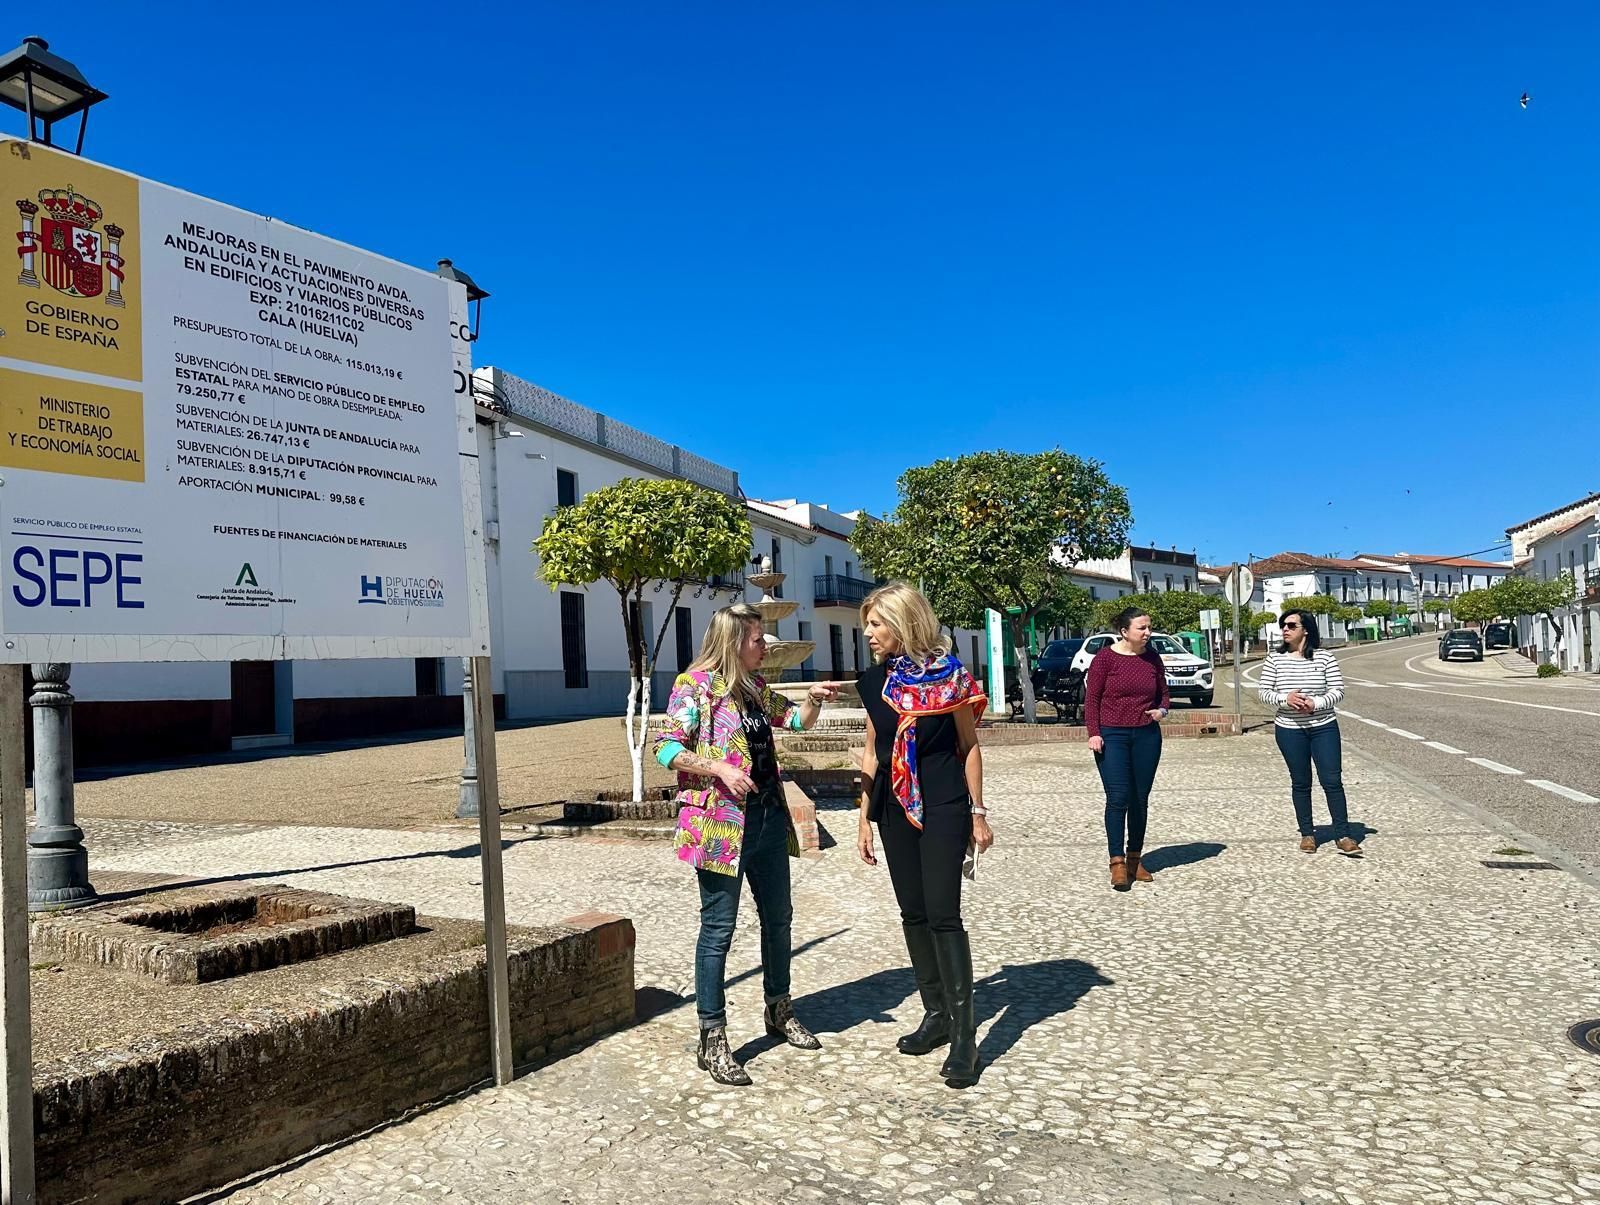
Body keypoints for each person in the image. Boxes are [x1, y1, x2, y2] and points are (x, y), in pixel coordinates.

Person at [654, 603, 842, 1085]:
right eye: (758, 639)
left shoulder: (755, 688)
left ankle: (779, 1009)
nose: (765, 646)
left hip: (765, 820)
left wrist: (815, 699)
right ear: (734, 641)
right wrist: (718, 767)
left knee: (779, 919)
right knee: (718, 929)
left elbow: (796, 722)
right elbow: (666, 748)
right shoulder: (693, 686)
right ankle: (711, 1036)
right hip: (719, 824)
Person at [854, 582, 991, 1088]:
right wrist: (863, 817)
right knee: (912, 911)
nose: (868, 633)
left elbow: (969, 746)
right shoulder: (873, 682)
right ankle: (935, 1015)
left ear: (905, 622)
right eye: (866, 624)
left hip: (944, 804)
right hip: (892, 807)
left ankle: (964, 1037)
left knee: (943, 914)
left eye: (876, 623)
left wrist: (978, 812)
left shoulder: (951, 678)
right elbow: (873, 748)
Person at [1258, 609, 1359, 856]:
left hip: (1323, 727)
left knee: (1332, 781)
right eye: (1283, 625)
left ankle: (1343, 834)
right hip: (1289, 730)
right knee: (1301, 782)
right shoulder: (1274, 659)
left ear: (1306, 629)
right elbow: (1264, 692)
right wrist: (1286, 699)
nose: (1285, 629)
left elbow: (1337, 691)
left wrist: (1315, 703)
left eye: (1291, 625)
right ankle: (1307, 834)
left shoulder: (1325, 658)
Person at [1085, 606, 1170, 891]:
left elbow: (1164, 694)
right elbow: (1092, 699)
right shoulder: (1105, 659)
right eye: (1141, 628)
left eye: (1149, 627)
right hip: (1113, 735)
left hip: (1146, 735)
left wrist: (1162, 711)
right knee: (1118, 797)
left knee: (1139, 798)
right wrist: (1094, 733)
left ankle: (1135, 858)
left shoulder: (1152, 658)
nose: (1147, 633)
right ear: (1124, 632)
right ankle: (1117, 862)